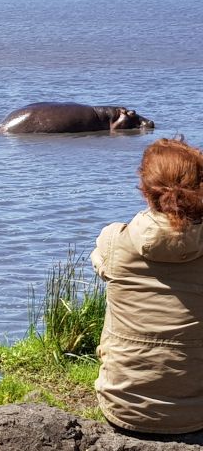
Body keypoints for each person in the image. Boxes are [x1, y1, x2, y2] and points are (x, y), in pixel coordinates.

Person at [91, 137, 203, 435]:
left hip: (124, 406)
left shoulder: (114, 241)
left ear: (145, 189)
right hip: (197, 413)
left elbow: (101, 263)